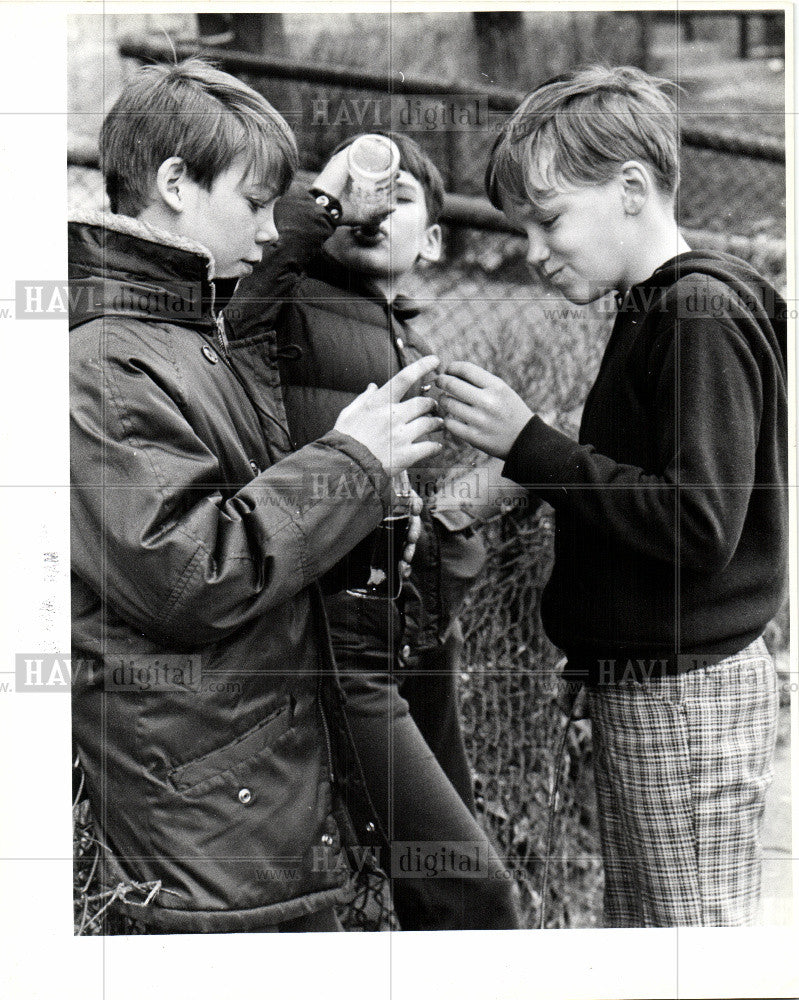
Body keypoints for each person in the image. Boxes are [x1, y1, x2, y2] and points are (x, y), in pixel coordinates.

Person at [69, 58, 443, 933]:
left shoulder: (181, 330)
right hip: (204, 811)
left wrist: (322, 201)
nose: (271, 235)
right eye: (251, 204)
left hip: (236, 782)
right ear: (173, 185)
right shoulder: (110, 363)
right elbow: (187, 572)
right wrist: (352, 460)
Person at [437, 66, 787, 927]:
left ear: (631, 188)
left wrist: (531, 443)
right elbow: (641, 464)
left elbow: (696, 523)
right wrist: (525, 471)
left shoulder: (696, 312)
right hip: (652, 687)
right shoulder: (655, 306)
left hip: (685, 696)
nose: (531, 249)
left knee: (689, 943)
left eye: (548, 219)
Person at [225, 133, 521, 930]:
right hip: (333, 643)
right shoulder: (285, 297)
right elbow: (246, 287)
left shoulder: (413, 346)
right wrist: (325, 202)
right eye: (362, 196)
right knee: (475, 892)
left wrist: (457, 520)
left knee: (442, 874)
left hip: (410, 639)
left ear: (432, 241)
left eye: (398, 199)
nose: (373, 207)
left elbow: (420, 510)